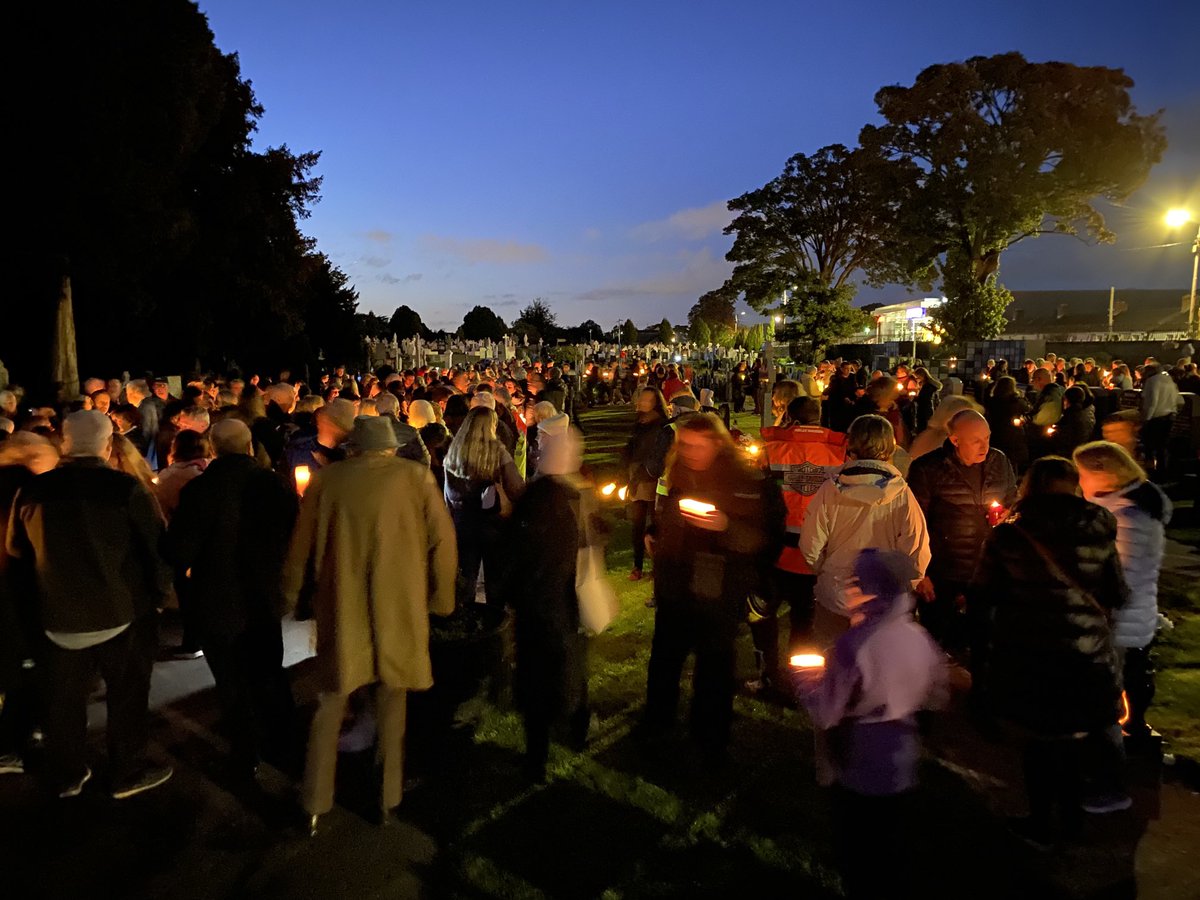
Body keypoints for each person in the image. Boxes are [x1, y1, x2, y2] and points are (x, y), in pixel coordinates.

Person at [283, 416, 457, 833]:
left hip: (342, 606)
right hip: (398, 606)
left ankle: (315, 800)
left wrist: (289, 596)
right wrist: (441, 599)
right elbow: (444, 541)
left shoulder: (329, 481)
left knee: (331, 703)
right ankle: (386, 798)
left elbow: (300, 546)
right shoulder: (416, 479)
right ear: (392, 447)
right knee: (393, 705)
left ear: (354, 448)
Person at [6, 411, 174, 799]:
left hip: (57, 614)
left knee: (63, 701)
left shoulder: (33, 492)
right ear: (108, 444)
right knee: (127, 695)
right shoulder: (125, 490)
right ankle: (127, 769)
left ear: (64, 444)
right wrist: (159, 597)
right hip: (121, 611)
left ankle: (67, 772)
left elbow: (16, 549)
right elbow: (154, 550)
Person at [974, 457, 1127, 849]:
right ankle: (1074, 821)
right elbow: (1117, 592)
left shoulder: (1011, 532)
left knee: (1040, 742)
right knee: (1075, 740)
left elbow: (984, 593)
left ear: (1031, 485)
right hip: (1085, 654)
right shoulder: (1099, 526)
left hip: (1032, 655)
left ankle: (1041, 823)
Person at [792, 548, 947, 899]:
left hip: (860, 761)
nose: (848, 590)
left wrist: (805, 679)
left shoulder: (854, 646)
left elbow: (828, 710)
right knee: (892, 842)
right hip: (903, 760)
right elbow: (937, 695)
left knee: (859, 848)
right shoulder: (917, 637)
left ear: (873, 589)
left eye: (854, 583)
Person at [640, 414, 783, 764]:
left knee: (714, 665)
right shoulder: (681, 472)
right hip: (675, 585)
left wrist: (724, 524)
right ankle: (656, 725)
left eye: (695, 446)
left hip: (717, 589)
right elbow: (670, 510)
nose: (687, 451)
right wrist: (656, 534)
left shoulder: (745, 481)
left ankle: (709, 737)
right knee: (665, 660)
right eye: (683, 445)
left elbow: (762, 538)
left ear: (718, 444)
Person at [165, 420, 300, 781]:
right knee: (269, 670)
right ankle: (286, 742)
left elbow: (180, 550)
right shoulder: (274, 484)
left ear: (213, 448)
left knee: (231, 681)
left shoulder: (201, 490)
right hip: (264, 595)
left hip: (217, 600)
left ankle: (245, 753)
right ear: (249, 446)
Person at [504, 423, 598, 781]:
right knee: (570, 668)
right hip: (565, 600)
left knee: (539, 680)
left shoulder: (539, 497)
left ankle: (537, 755)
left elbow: (516, 550)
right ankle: (575, 728)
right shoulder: (577, 494)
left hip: (542, 603)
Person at [800, 415, 930, 647]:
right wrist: (901, 587)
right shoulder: (901, 495)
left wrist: (825, 570)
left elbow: (810, 545)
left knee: (832, 668)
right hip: (882, 601)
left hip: (835, 598)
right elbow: (917, 550)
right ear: (890, 447)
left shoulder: (829, 491)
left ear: (851, 445)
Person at [1073, 442, 1172, 748]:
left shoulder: (1128, 516)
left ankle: (1127, 733)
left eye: (1082, 473)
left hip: (1123, 614)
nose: (1079, 481)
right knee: (1130, 673)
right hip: (1129, 611)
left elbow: (1120, 572)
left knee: (1127, 675)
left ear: (1102, 474)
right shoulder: (1121, 507)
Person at [749, 396, 847, 693]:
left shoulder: (772, 448)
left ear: (789, 417)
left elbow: (757, 496)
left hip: (776, 552)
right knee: (804, 624)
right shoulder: (839, 452)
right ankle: (801, 683)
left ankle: (769, 675)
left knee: (761, 615)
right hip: (815, 556)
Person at [907, 410, 1017, 656]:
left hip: (986, 572)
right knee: (936, 645)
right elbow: (914, 524)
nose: (985, 446)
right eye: (976, 440)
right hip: (942, 573)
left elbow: (1013, 498)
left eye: (988, 438)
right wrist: (920, 573)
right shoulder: (928, 468)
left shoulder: (999, 462)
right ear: (955, 440)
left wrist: (1007, 511)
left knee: (984, 645)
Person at [0, 434, 59, 774]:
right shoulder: (22, 494)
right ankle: (8, 746)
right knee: (25, 675)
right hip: (16, 604)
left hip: (14, 601)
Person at [443, 407, 525, 610]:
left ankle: (465, 618)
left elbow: (447, 492)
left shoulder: (455, 450)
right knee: (495, 577)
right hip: (492, 520)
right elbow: (515, 486)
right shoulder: (497, 451)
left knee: (466, 576)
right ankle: (495, 619)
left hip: (463, 520)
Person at [622, 387, 669, 581]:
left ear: (656, 402)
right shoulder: (639, 423)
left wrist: (644, 471)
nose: (642, 403)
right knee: (637, 523)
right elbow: (632, 447)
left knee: (654, 524)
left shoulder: (661, 425)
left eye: (647, 400)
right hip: (636, 476)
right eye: (641, 399)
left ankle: (659, 566)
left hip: (650, 477)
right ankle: (637, 565)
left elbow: (657, 454)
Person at [1139, 362, 1182, 479]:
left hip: (1155, 418)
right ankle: (1162, 472)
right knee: (1161, 447)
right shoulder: (1169, 381)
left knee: (1149, 447)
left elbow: (1152, 402)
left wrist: (1145, 419)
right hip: (1168, 417)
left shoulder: (1152, 381)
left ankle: (1150, 472)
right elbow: (1180, 400)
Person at [984, 376, 1031, 475]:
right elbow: (1027, 411)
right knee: (1012, 463)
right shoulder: (1017, 402)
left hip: (996, 433)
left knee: (996, 462)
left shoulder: (992, 401)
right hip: (1013, 434)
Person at [1052, 386, 1096, 458]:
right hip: (1083, 444)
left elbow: (1065, 438)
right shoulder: (1087, 411)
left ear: (1067, 400)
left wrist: (1055, 432)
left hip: (1071, 451)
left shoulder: (1071, 415)